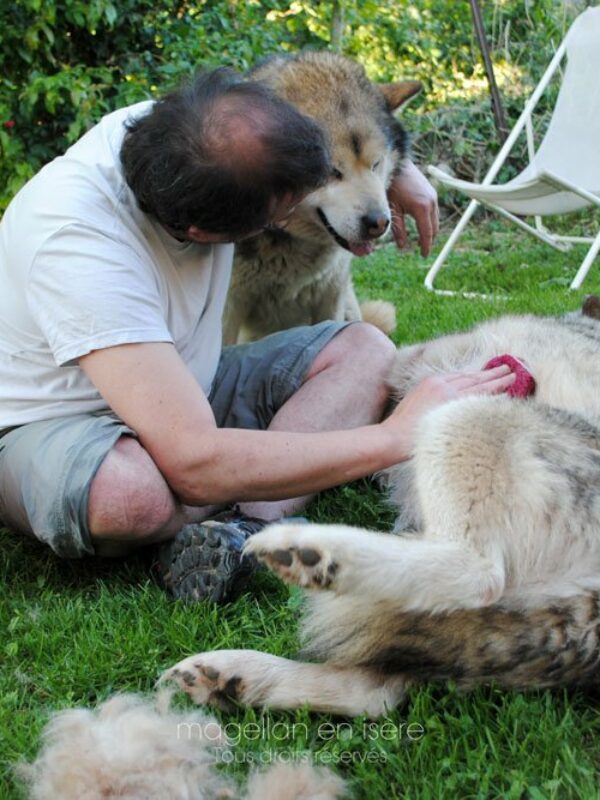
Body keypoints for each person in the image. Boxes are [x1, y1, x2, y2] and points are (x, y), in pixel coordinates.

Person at [0, 68, 514, 602]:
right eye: (283, 210)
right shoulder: (78, 246)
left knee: (366, 350)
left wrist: (398, 169)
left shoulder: (186, 127)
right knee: (130, 497)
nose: (296, 209)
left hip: (181, 385)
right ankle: (221, 495)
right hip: (54, 423)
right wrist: (391, 438)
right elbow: (194, 462)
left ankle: (244, 528)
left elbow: (298, 104)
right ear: (204, 236)